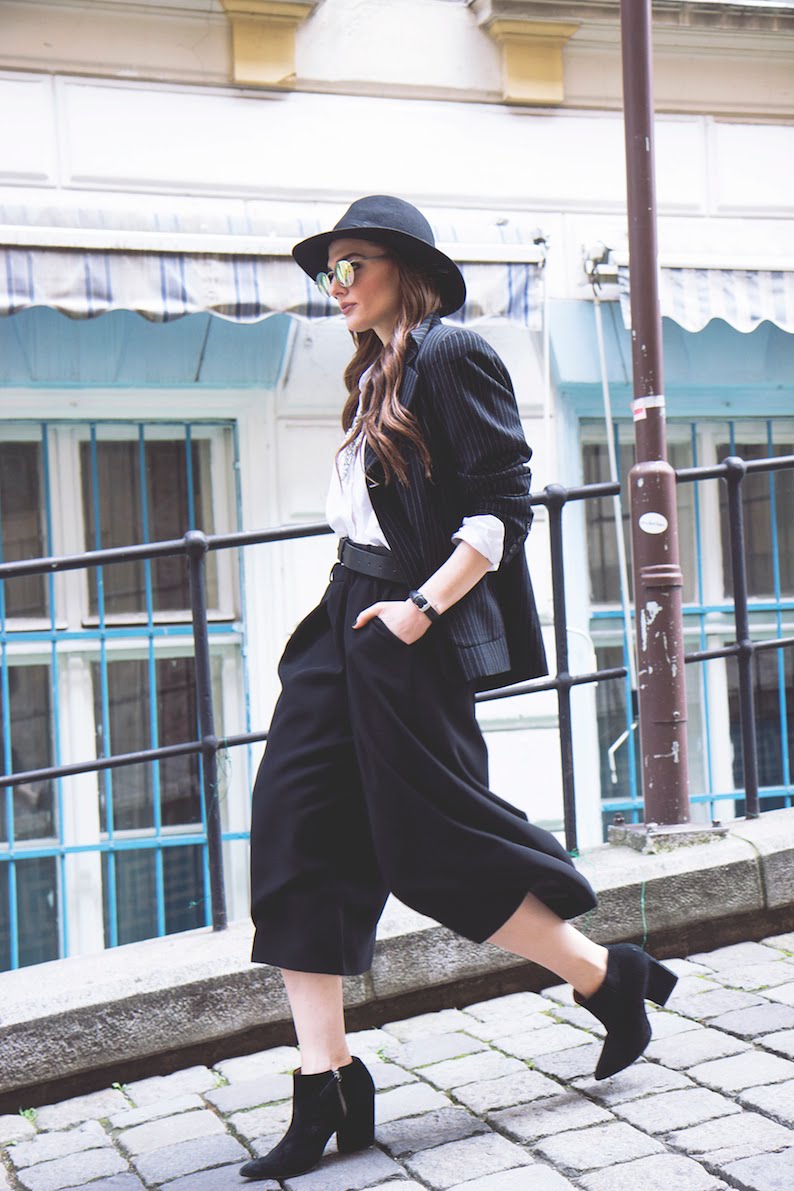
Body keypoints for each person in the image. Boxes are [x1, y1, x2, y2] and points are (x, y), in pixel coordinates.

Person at [240, 196, 677, 1182]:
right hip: (343, 618)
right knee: (294, 829)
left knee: (427, 846)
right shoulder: (375, 373)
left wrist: (420, 611)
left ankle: (606, 975)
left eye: (352, 264)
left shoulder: (450, 353)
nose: (335, 285)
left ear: (405, 268)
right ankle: (325, 1079)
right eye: (327, 271)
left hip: (404, 625)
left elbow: (500, 503)